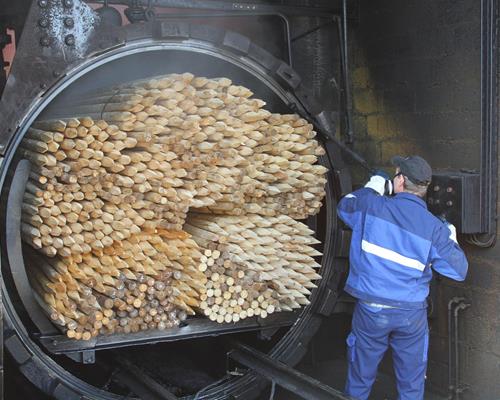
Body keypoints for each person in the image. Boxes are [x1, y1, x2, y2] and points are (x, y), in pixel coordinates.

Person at [337, 155, 468, 400]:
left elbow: (344, 207)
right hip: (410, 316)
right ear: (424, 188)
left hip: (372, 310)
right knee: (411, 385)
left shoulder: (372, 207)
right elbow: (459, 271)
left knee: (360, 379)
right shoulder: (433, 227)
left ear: (399, 180)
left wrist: (375, 186)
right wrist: (451, 237)